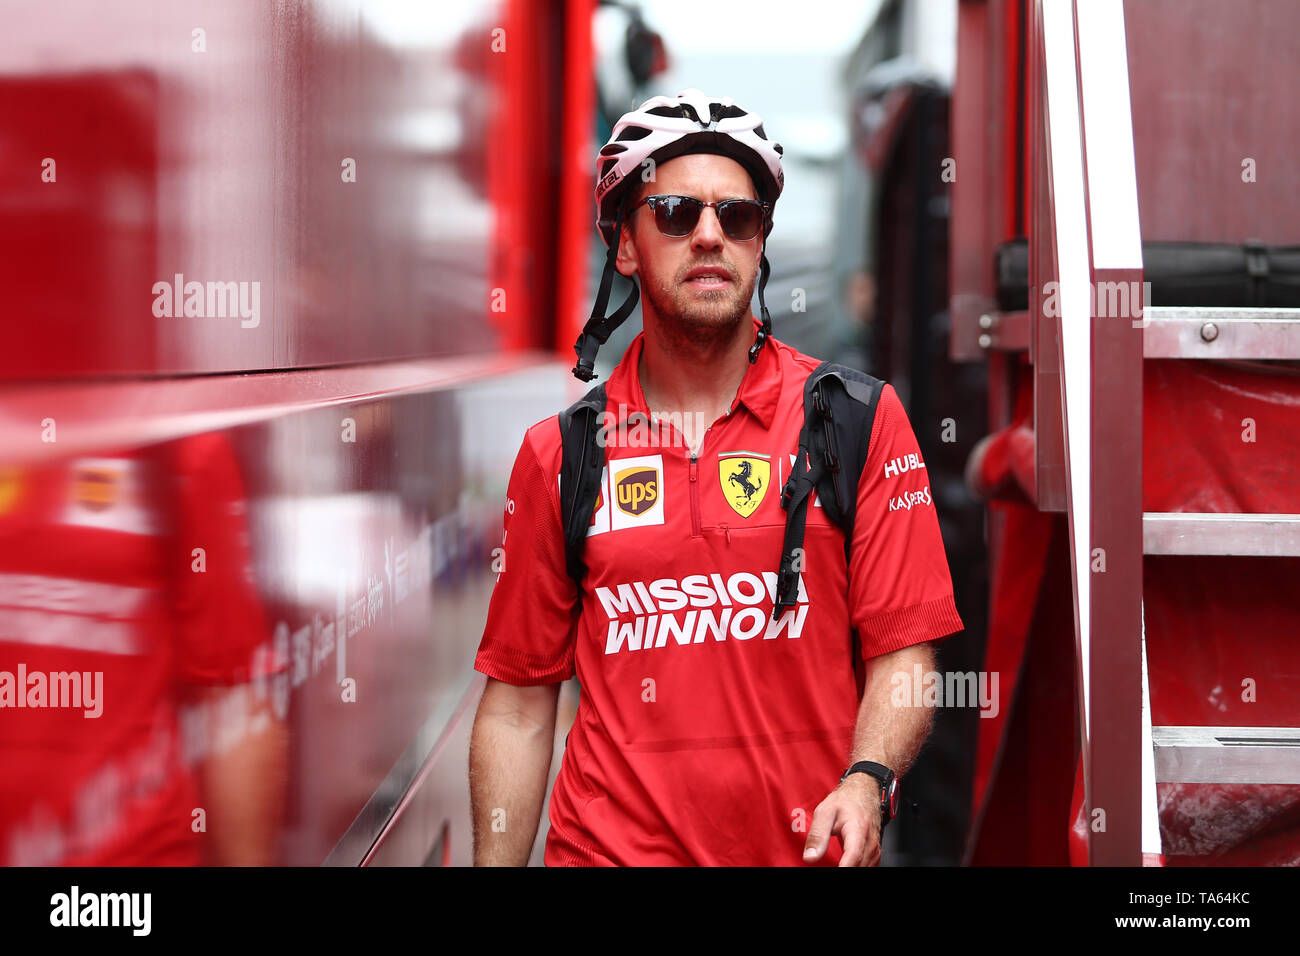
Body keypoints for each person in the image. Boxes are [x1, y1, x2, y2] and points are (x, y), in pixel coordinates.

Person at [469, 90, 963, 866]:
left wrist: (868, 780)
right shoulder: (562, 454)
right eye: (673, 212)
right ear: (624, 244)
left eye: (738, 217)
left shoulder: (857, 422)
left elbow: (902, 656)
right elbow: (522, 705)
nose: (709, 236)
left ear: (759, 242)